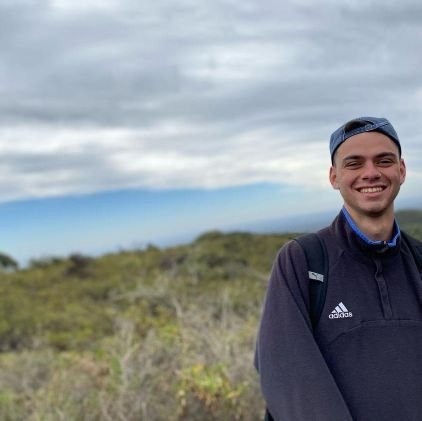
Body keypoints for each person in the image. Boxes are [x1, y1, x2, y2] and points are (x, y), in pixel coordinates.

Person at [254, 116, 422, 421]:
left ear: (402, 170)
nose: (370, 173)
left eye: (383, 160)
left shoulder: (419, 261)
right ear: (334, 177)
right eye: (354, 163)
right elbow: (286, 374)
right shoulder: (302, 262)